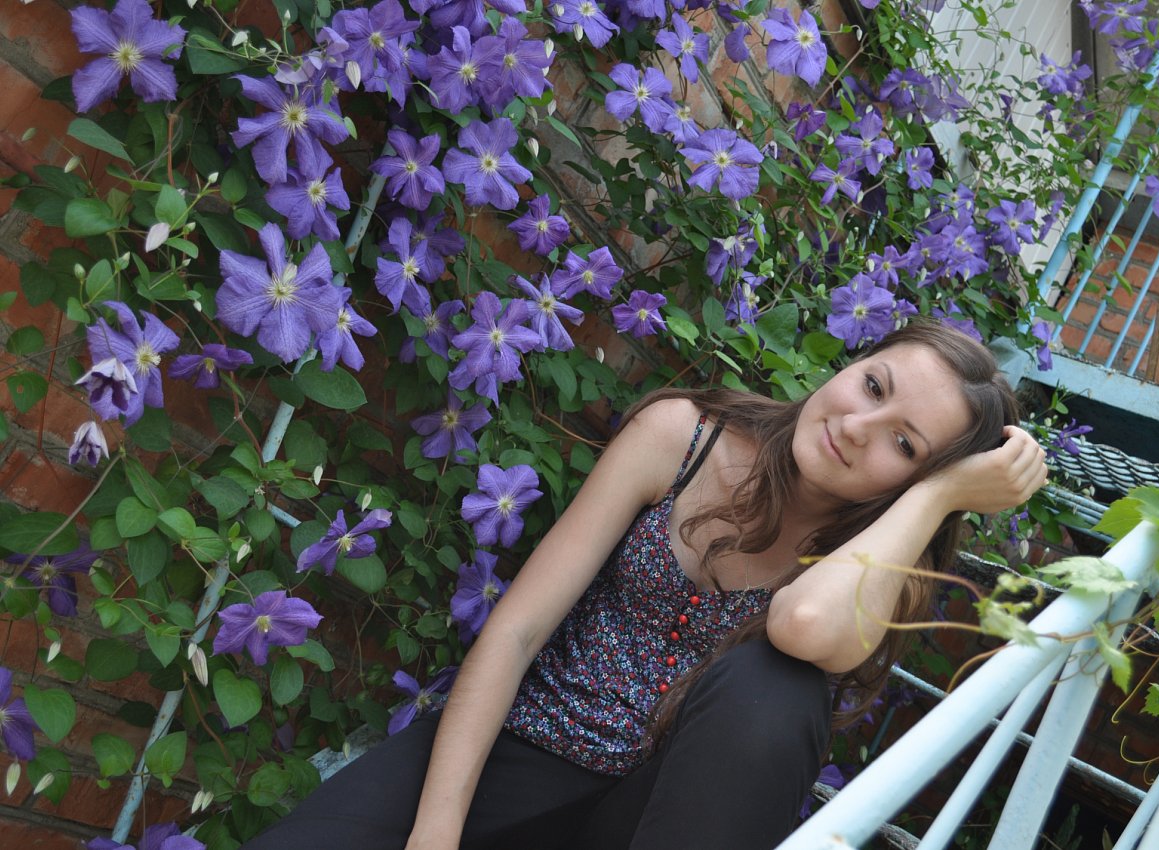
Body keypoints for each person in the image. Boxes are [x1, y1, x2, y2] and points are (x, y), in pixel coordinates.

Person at [242, 320, 1046, 850]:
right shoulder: (682, 439)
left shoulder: (874, 571)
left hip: (655, 820)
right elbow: (517, 631)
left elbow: (802, 627)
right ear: (853, 362)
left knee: (778, 684)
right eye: (873, 385)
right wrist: (437, 831)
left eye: (905, 446)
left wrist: (938, 498)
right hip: (514, 756)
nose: (857, 428)